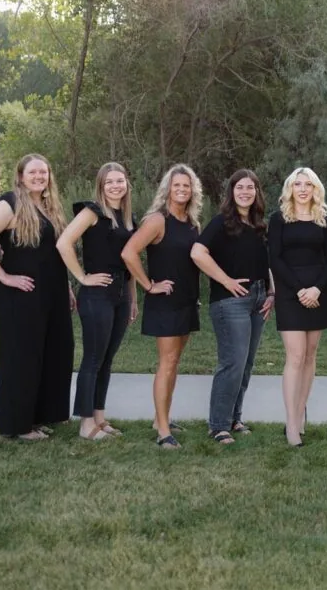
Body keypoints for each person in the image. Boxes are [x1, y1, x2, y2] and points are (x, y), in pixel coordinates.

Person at [0, 153, 74, 440]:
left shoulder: (50, 206)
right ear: (21, 176)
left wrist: (66, 287)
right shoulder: (9, 203)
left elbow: (53, 253)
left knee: (54, 352)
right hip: (22, 293)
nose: (39, 177)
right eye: (33, 172)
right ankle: (17, 425)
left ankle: (39, 415)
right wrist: (3, 276)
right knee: (23, 358)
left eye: (44, 172)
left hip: (52, 291)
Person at [122, 164, 203, 450]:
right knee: (166, 364)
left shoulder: (193, 224)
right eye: (177, 185)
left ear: (193, 190)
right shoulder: (158, 220)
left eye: (186, 185)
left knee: (174, 364)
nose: (181, 190)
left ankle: (161, 419)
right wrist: (148, 285)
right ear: (168, 188)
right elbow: (129, 252)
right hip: (165, 303)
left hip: (187, 302)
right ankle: (163, 432)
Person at [191, 169, 274, 445]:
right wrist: (225, 280)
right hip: (231, 302)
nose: (245, 192)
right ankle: (218, 425)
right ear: (232, 192)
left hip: (260, 299)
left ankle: (234, 418)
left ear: (257, 192)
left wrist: (271, 292)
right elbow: (197, 253)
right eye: (240, 187)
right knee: (232, 363)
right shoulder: (221, 223)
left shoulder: (260, 224)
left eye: (250, 187)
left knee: (246, 364)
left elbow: (268, 261)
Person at [57, 162, 137, 441]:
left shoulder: (127, 218)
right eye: (109, 182)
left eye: (120, 181)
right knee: (93, 358)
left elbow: (131, 261)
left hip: (120, 294)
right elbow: (63, 243)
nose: (116, 186)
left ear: (127, 183)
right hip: (96, 295)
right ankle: (85, 423)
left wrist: (133, 299)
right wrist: (82, 277)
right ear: (101, 186)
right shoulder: (91, 212)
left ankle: (100, 418)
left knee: (107, 359)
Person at [268, 167, 327, 447]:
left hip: (318, 293)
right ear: (290, 189)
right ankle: (291, 424)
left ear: (315, 189)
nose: (303, 189)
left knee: (309, 356)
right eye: (298, 184)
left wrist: (316, 288)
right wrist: (299, 290)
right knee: (295, 357)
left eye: (308, 184)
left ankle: (300, 413)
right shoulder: (279, 219)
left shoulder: (325, 221)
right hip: (289, 292)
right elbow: (275, 258)